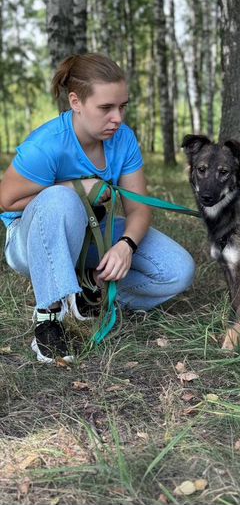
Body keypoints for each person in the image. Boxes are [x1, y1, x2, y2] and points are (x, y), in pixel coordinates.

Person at [0, 53, 195, 364]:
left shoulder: (124, 140)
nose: (117, 118)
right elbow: (6, 201)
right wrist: (75, 187)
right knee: (61, 200)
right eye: (106, 108)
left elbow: (139, 209)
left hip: (92, 232)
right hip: (29, 241)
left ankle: (89, 288)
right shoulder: (47, 144)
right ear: (76, 102)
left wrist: (126, 246)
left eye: (122, 107)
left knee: (178, 270)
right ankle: (49, 319)